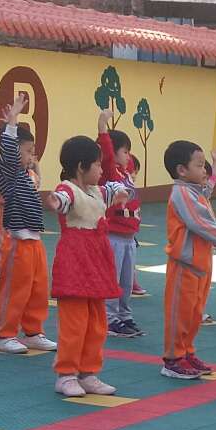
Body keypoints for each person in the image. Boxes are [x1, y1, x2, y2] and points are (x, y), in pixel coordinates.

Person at [48, 134, 136, 401]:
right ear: (80, 167)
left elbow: (115, 188)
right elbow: (61, 200)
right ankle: (66, 375)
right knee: (74, 323)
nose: (100, 170)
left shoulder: (97, 191)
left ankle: (88, 372)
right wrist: (55, 202)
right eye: (96, 165)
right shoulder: (67, 189)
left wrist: (121, 193)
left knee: (96, 323)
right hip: (75, 263)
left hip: (96, 263)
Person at [161, 137, 216, 380]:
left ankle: (187, 352)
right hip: (185, 264)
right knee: (180, 313)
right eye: (200, 165)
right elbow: (202, 224)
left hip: (200, 263)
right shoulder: (182, 194)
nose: (205, 170)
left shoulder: (196, 192)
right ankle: (173, 359)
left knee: (194, 313)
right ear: (182, 170)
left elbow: (208, 191)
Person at [0, 99, 55, 356]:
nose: (31, 157)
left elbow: (32, 169)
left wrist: (33, 163)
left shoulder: (27, 176)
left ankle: (32, 332)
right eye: (28, 151)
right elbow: (9, 154)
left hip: (34, 241)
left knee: (38, 289)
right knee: (15, 290)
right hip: (18, 242)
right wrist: (12, 122)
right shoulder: (7, 173)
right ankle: (6, 335)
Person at [98, 114, 144, 337]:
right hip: (114, 235)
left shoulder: (126, 172)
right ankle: (109, 318)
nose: (129, 156)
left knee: (126, 281)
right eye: (125, 151)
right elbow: (106, 155)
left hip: (129, 237)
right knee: (112, 279)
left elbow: (123, 158)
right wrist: (103, 128)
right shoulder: (110, 173)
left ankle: (124, 315)